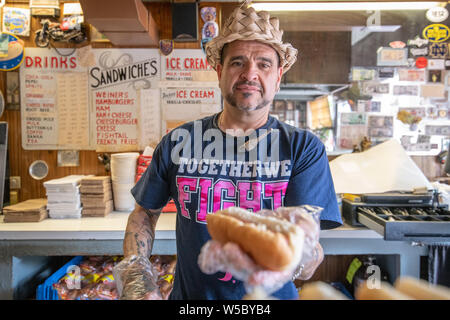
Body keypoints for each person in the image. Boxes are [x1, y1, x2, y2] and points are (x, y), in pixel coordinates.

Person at [114, 5, 342, 300]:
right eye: (237, 62)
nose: (250, 73)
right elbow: (144, 212)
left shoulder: (302, 148)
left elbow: (310, 255)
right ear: (220, 71)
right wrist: (138, 281)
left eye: (263, 64)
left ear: (278, 75)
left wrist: (299, 256)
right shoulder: (179, 141)